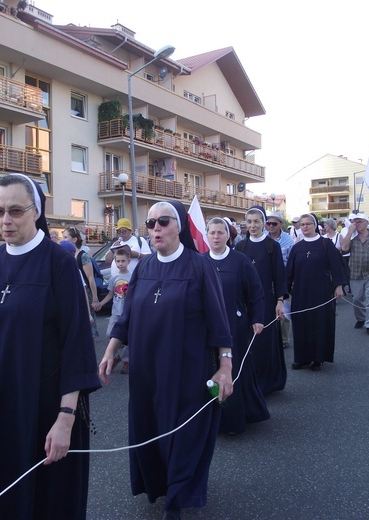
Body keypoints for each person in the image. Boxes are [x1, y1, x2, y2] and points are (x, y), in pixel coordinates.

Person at [0, 173, 100, 519]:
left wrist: (66, 418)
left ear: (36, 209)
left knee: (40, 500)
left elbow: (76, 343)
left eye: (15, 210)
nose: (5, 221)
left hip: (37, 410)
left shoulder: (59, 264)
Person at [99, 200, 232, 520]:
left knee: (185, 432)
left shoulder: (199, 266)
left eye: (163, 221)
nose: (155, 228)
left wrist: (226, 365)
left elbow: (219, 321)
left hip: (186, 369)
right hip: (147, 370)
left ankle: (178, 497)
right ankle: (160, 485)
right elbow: (126, 317)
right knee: (151, 428)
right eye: (150, 224)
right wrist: (109, 350)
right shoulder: (143, 267)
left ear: (180, 226)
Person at [205, 217, 268, 433]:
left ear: (228, 235)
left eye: (220, 232)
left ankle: (232, 420)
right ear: (206, 235)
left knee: (234, 371)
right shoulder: (200, 261)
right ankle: (211, 420)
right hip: (207, 329)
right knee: (209, 370)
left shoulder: (240, 261)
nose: (216, 236)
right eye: (212, 232)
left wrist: (258, 319)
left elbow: (256, 292)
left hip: (235, 325)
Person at [235, 206, 287, 394]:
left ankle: (265, 383)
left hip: (266, 300)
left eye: (256, 221)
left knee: (264, 342)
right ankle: (249, 383)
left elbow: (279, 276)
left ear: (263, 223)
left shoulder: (272, 246)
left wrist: (280, 301)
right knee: (247, 342)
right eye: (249, 222)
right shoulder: (241, 246)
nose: (252, 225)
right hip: (245, 302)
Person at [286, 214, 345, 370]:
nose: (305, 227)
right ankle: (302, 358)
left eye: (308, 224)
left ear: (315, 225)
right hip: (301, 291)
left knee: (319, 323)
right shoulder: (297, 247)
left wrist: (338, 286)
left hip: (321, 291)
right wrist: (283, 292)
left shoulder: (326, 244)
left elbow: (336, 266)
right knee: (301, 323)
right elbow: (289, 272)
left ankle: (318, 357)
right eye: (302, 224)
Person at [339, 213, 369, 337]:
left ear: (367, 223)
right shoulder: (352, 238)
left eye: (360, 221)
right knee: (357, 299)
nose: (357, 224)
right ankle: (361, 318)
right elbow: (344, 248)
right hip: (355, 274)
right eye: (355, 222)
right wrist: (350, 231)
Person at [93, 247, 131, 374]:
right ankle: (115, 357)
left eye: (123, 261)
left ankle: (127, 361)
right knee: (110, 334)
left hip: (128, 313)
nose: (120, 264)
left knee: (129, 339)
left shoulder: (132, 277)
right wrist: (100, 304)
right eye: (118, 261)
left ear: (128, 261)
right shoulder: (114, 278)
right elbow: (110, 294)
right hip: (115, 312)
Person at [63, 226, 99, 338]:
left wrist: (95, 299)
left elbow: (90, 278)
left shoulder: (83, 256)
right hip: (71, 294)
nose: (63, 239)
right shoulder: (65, 255)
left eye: (65, 237)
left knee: (89, 328)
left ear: (74, 239)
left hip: (84, 294)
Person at [266, 211, 295, 349]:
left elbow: (292, 261)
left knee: (284, 308)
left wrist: (291, 280)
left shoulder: (288, 240)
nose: (270, 226)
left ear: (281, 224)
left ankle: (284, 339)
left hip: (283, 277)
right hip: (266, 278)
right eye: (268, 223)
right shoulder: (263, 237)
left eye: (274, 224)